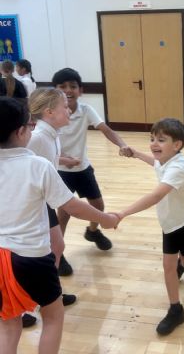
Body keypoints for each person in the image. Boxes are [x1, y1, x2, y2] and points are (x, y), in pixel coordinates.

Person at [0, 96, 119, 354]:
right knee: (53, 317)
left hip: (1, 258)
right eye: (29, 125)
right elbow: (72, 206)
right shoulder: (37, 165)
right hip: (30, 258)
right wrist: (107, 219)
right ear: (20, 131)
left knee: (8, 325)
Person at [117, 118, 184, 335]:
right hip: (171, 224)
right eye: (152, 139)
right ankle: (176, 310)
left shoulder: (178, 167)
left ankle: (183, 265)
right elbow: (156, 163)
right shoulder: (166, 159)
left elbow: (156, 196)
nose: (154, 144)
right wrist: (137, 154)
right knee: (168, 266)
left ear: (177, 145)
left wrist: (122, 213)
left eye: (160, 140)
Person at [52, 67, 131, 276]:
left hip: (83, 168)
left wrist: (122, 144)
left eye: (73, 86)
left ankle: (92, 232)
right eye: (62, 87)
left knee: (98, 206)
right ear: (55, 91)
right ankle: (58, 254)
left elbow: (106, 129)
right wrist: (64, 159)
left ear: (81, 90)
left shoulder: (86, 110)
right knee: (64, 213)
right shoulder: (50, 114)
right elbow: (45, 147)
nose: (68, 90)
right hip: (61, 171)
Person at [22, 88, 76, 328]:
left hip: (43, 201)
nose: (69, 109)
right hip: (30, 205)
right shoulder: (37, 137)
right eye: (64, 106)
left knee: (57, 246)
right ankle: (22, 307)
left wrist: (65, 160)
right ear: (49, 111)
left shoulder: (51, 135)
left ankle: (50, 296)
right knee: (27, 255)